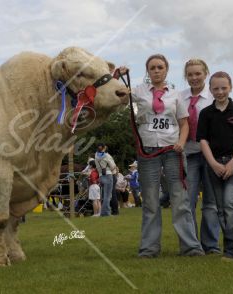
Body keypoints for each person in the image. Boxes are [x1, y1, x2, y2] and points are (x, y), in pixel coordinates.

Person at [119, 54, 204, 257]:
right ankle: (149, 248)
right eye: (152, 68)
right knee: (150, 199)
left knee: (179, 199)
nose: (156, 71)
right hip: (148, 151)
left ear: (166, 69)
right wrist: (118, 75)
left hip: (172, 150)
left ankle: (190, 247)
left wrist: (181, 144)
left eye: (160, 67)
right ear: (148, 71)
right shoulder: (138, 91)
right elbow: (120, 95)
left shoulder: (175, 96)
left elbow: (184, 124)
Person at [197, 71, 233, 261]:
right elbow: (202, 140)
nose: (220, 92)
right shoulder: (206, 114)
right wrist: (213, 163)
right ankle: (229, 250)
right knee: (220, 208)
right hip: (213, 164)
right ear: (210, 89)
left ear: (230, 87)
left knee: (230, 204)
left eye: (223, 88)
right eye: (215, 88)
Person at [180, 59, 220, 254]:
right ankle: (191, 245)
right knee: (187, 201)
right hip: (188, 154)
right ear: (185, 76)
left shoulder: (215, 97)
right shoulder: (180, 97)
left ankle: (211, 245)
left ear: (206, 73)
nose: (194, 78)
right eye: (190, 74)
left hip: (210, 154)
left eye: (198, 73)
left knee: (211, 203)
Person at [94, 143, 117, 217]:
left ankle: (104, 212)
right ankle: (106, 213)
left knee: (105, 195)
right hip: (108, 174)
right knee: (108, 195)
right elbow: (113, 166)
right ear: (104, 148)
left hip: (101, 175)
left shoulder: (96, 156)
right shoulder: (107, 155)